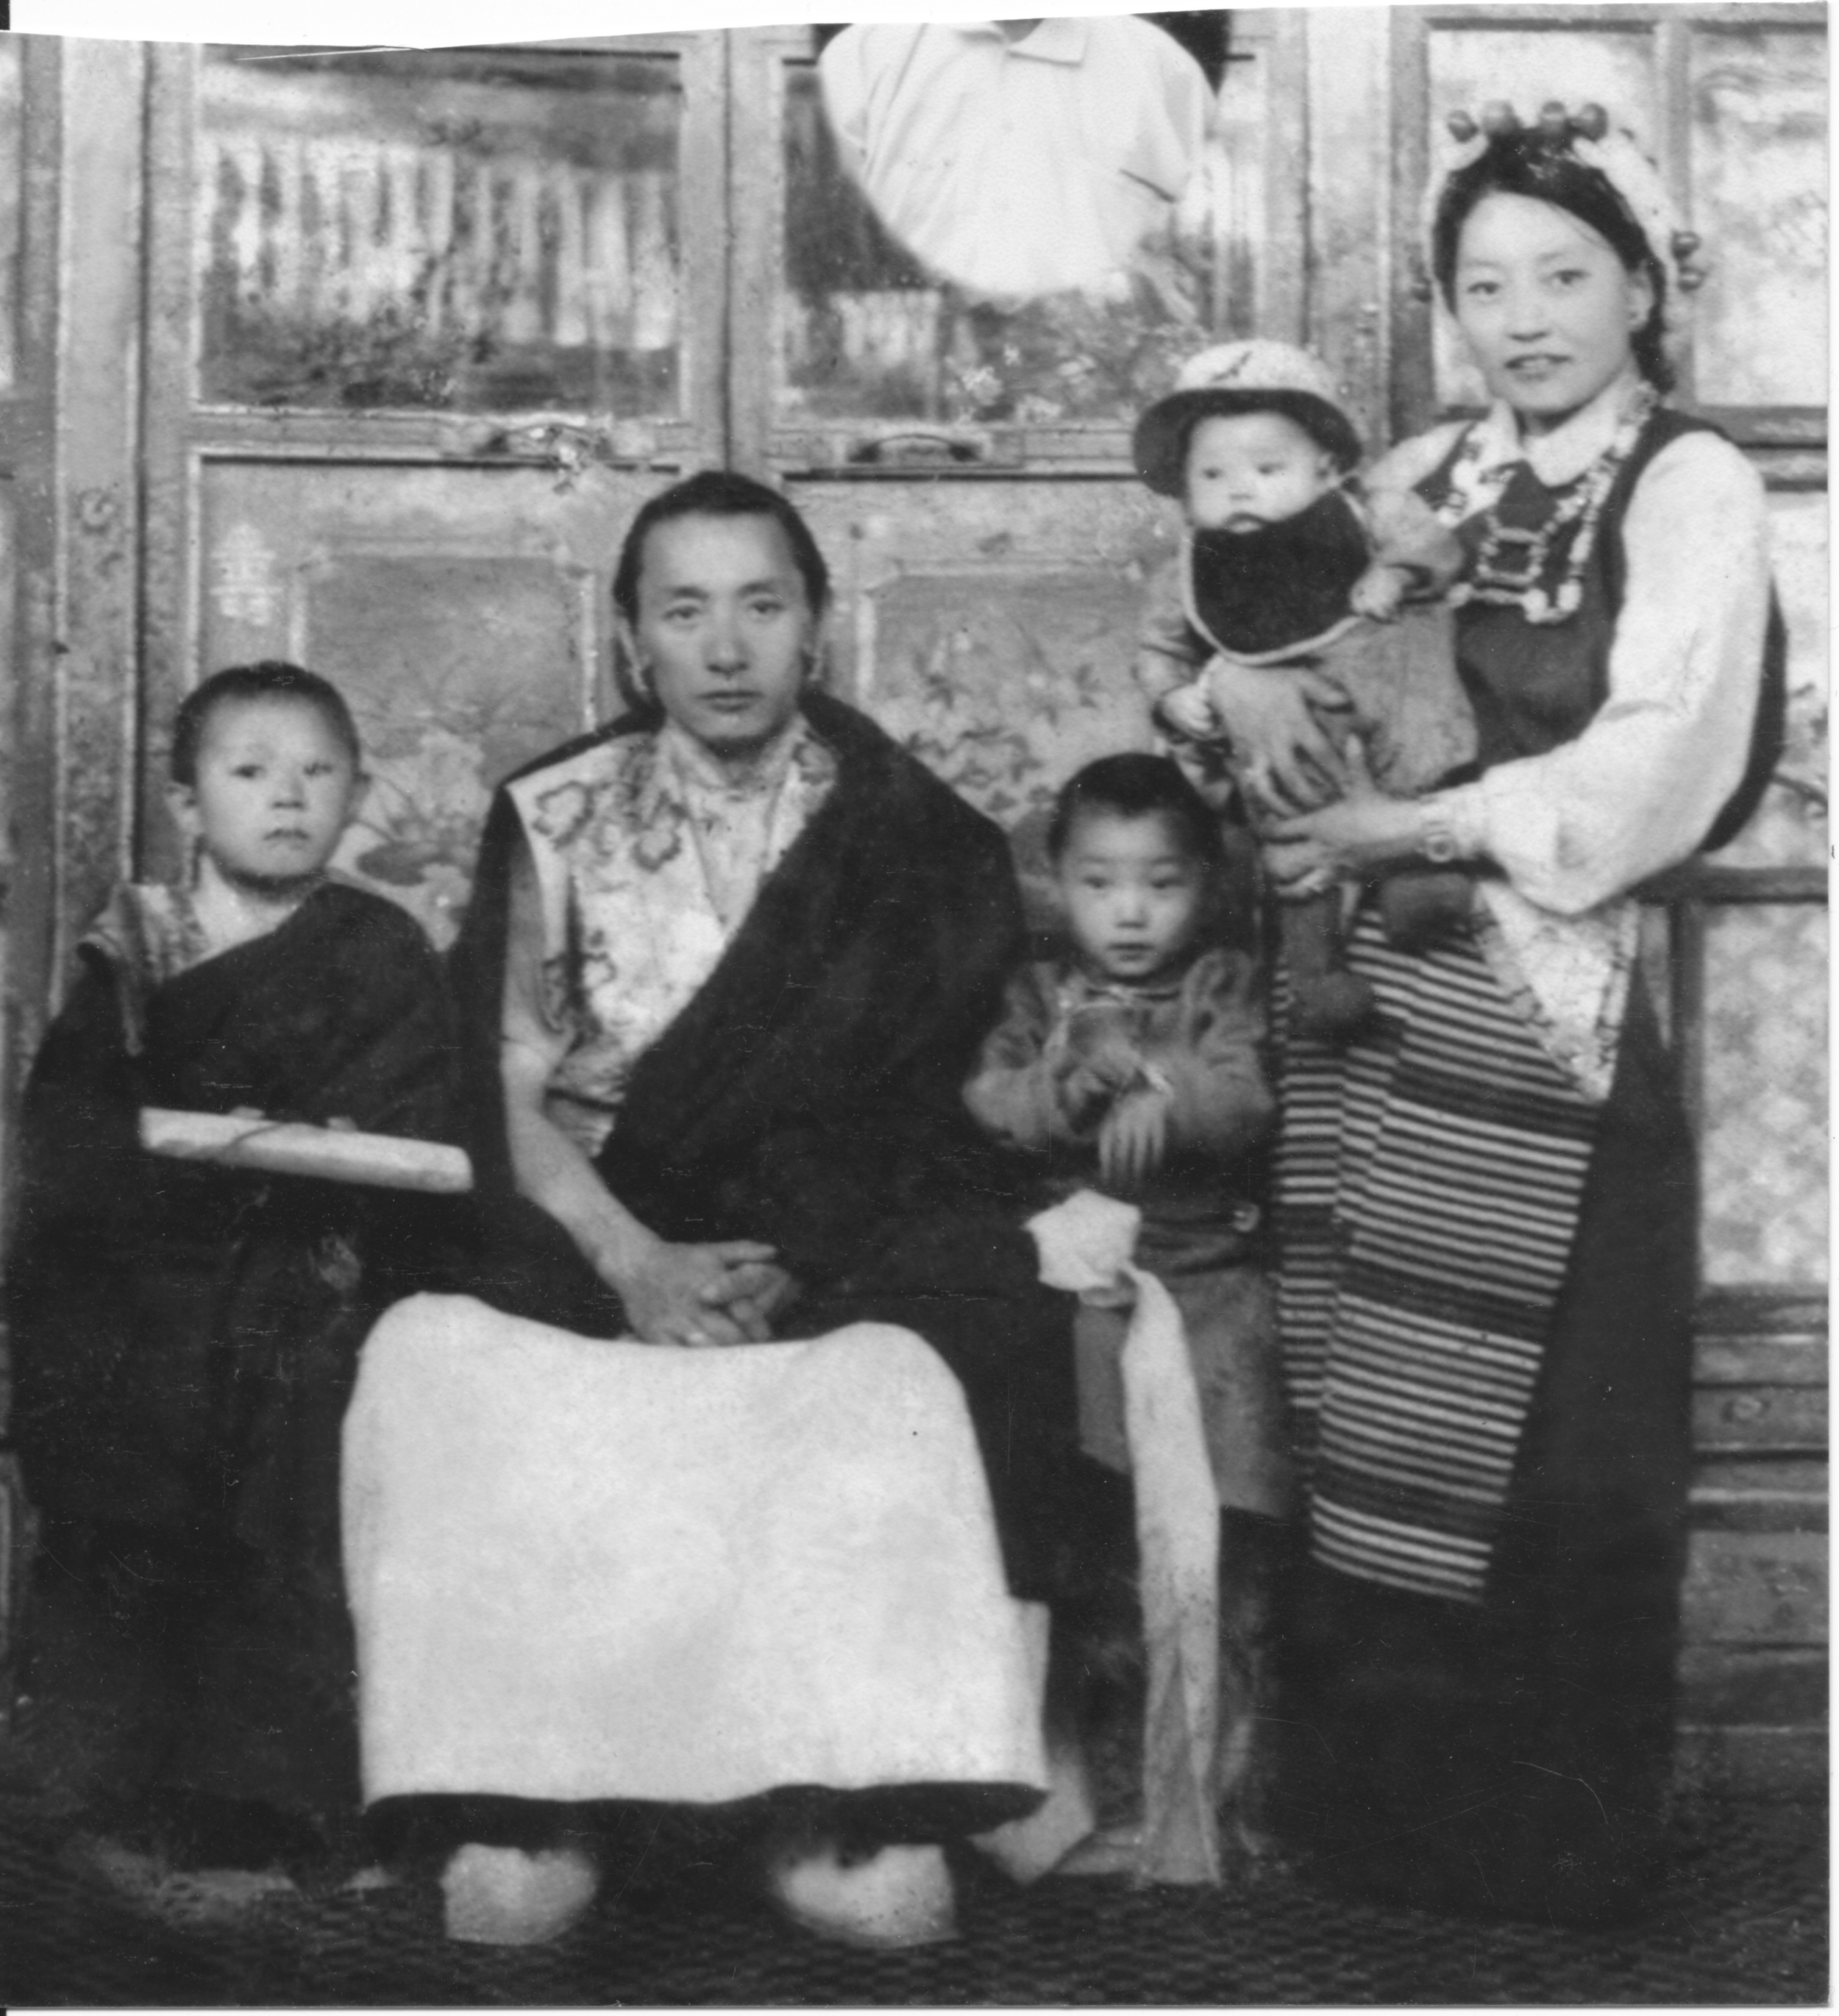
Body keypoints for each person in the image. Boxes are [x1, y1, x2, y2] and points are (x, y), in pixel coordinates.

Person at [355, 470, 1079, 1948]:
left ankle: (836, 1800)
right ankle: (531, 1794)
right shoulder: (552, 811)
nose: (727, 646)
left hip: (821, 1230)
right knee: (432, 1346)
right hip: (596, 1219)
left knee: (936, 1327)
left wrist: (778, 1257)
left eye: (762, 604)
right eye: (686, 611)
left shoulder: (908, 832)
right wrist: (632, 1260)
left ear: (815, 625)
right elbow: (505, 1085)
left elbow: (925, 1102)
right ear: (634, 641)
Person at [1203, 103, 1780, 1923]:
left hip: (1549, 1000)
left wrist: (1421, 820)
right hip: (1368, 1002)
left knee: (1551, 1428)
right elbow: (1260, 619)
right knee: (1374, 1394)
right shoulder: (1427, 473)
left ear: (1640, 287)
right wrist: (1226, 688)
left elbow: (1655, 762)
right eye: (1483, 283)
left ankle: (1554, 1853)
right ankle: (1388, 1834)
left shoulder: (1683, 482)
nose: (1522, 316)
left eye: (1562, 275)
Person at [6, 663, 459, 1903]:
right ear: (186, 802)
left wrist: (314, 1141)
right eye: (250, 772)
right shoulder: (141, 945)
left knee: (311, 1432)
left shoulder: (377, 945)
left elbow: (426, 1125)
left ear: (358, 797)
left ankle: (288, 1808)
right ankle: (114, 1805)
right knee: (123, 1429)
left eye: (318, 773)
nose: (287, 799)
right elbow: (76, 1137)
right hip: (150, 1281)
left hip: (321, 1276)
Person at [964, 754, 1292, 1858]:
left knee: (1220, 1561)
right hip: (1082, 1303)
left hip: (1208, 1298)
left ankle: (1209, 1798)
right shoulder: (1036, 993)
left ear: (1206, 883)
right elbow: (993, 1100)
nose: (1134, 910)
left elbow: (1243, 1092)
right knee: (1091, 1550)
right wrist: (1068, 1086)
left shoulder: (1221, 987)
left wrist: (1163, 1090)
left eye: (1163, 882)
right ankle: (1082, 1789)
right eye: (1102, 883)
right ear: (1059, 881)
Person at [1133, 339, 1477, 1039]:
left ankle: (1413, 878)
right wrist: (1175, 698)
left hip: (1392, 705)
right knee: (1287, 817)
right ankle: (1315, 972)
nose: (1239, 488)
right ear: (1183, 485)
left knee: (1420, 715)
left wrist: (1401, 574)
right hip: (1298, 742)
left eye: (1267, 468)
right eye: (1213, 473)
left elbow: (1438, 545)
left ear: (1325, 469)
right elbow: (1159, 648)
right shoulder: (1189, 570)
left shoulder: (1370, 512)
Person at [818, 17, 1212, 304]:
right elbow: (845, 235)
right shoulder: (861, 56)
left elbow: (1188, 224)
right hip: (910, 342)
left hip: (1101, 352)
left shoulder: (1157, 63)